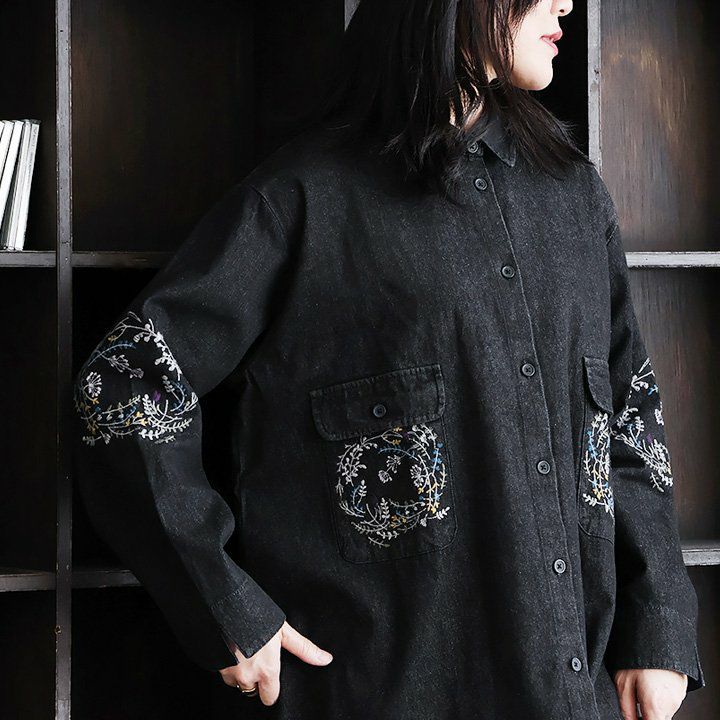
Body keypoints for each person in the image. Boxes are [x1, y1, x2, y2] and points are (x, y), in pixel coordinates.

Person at [73, 1, 706, 718]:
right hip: (373, 693)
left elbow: (629, 411)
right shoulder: (304, 200)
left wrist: (657, 626)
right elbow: (123, 387)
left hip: (571, 694)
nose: (565, 1)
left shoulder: (573, 196)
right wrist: (225, 608)